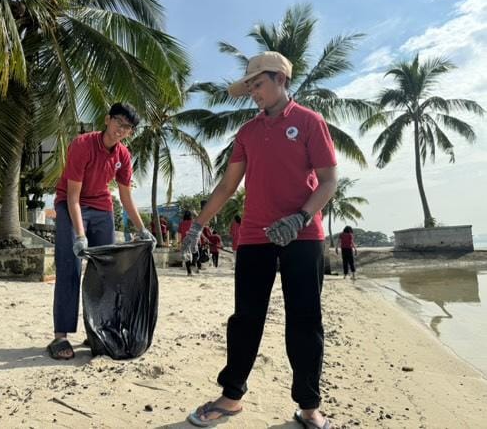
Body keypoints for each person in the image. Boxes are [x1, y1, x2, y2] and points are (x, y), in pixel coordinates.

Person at [183, 51, 337, 429]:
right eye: (249, 85)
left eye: (258, 83)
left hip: (302, 237)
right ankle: (231, 397)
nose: (252, 91)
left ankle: (308, 407)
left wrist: (300, 217)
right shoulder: (247, 132)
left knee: (304, 320)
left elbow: (330, 180)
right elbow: (228, 185)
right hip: (254, 237)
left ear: (280, 79)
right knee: (245, 319)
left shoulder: (309, 122)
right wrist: (197, 226)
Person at [48, 103, 156, 361]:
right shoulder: (83, 145)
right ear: (107, 120)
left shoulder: (124, 156)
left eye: (128, 127)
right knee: (69, 270)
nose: (122, 130)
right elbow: (73, 196)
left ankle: (97, 330)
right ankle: (60, 337)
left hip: (101, 208)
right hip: (70, 206)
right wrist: (80, 235)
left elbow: (126, 196)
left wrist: (142, 230)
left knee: (108, 273)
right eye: (119, 122)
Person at [178, 210, 199, 276]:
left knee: (187, 257)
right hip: (193, 240)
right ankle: (193, 264)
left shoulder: (181, 223)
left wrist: (179, 242)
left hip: (184, 240)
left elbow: (179, 234)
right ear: (191, 216)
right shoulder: (193, 222)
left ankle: (189, 272)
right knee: (196, 254)